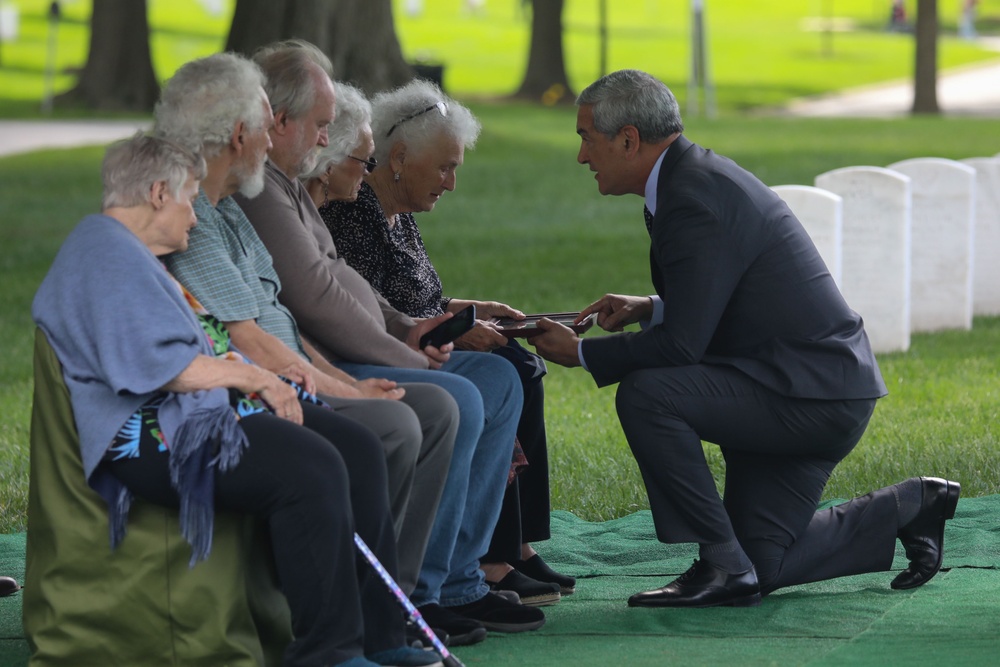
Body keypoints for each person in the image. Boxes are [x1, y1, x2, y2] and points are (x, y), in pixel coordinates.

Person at [529, 69, 961, 607]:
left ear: (628, 139)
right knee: (763, 564)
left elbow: (682, 349)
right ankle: (910, 505)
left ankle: (720, 561)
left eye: (585, 139)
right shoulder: (692, 179)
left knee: (647, 393)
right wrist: (654, 307)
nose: (581, 156)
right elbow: (735, 293)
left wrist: (583, 354)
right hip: (809, 385)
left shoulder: (692, 196)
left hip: (808, 395)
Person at [31, 133, 441, 667]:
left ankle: (379, 635)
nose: (195, 217)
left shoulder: (128, 255)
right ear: (158, 192)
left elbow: (202, 346)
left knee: (355, 448)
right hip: (154, 439)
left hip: (192, 418)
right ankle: (328, 653)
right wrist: (260, 383)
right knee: (311, 466)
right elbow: (160, 365)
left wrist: (282, 379)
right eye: (188, 198)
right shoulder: (104, 251)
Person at [232, 40, 544, 642]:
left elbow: (343, 282)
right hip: (323, 359)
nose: (329, 143)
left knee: (504, 378)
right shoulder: (265, 189)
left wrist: (411, 327)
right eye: (324, 128)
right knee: (459, 396)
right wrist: (408, 351)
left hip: (352, 350)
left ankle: (459, 578)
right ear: (279, 121)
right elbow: (316, 298)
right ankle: (415, 593)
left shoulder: (287, 186)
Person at [155, 52, 459, 600]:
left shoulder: (228, 207)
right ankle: (363, 607)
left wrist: (352, 380)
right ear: (237, 132)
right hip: (246, 393)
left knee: (429, 409)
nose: (274, 143)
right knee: (396, 425)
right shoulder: (196, 214)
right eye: (267, 127)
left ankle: (396, 599)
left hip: (289, 370)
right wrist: (347, 386)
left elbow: (285, 323)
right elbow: (248, 339)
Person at [304, 79, 574, 606]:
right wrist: (438, 334)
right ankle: (478, 565)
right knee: (505, 373)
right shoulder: (350, 211)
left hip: (414, 340)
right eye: (446, 168)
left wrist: (466, 311)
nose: (451, 183)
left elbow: (405, 299)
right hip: (372, 357)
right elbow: (360, 316)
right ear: (398, 158)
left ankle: (503, 550)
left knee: (516, 366)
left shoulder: (398, 212)